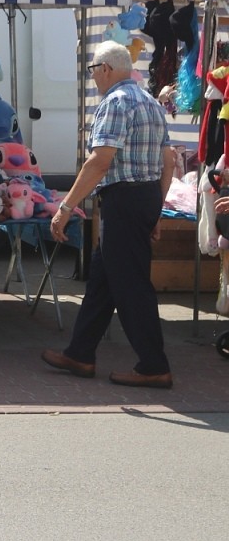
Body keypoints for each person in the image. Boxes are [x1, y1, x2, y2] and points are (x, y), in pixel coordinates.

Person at [42, 40, 176, 389]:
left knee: (130, 284)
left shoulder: (116, 102)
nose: (93, 77)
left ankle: (154, 364)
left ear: (105, 69)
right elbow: (168, 161)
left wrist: (66, 207)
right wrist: (156, 210)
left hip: (124, 199)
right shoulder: (149, 101)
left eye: (93, 70)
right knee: (104, 280)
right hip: (144, 196)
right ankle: (80, 353)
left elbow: (99, 161)